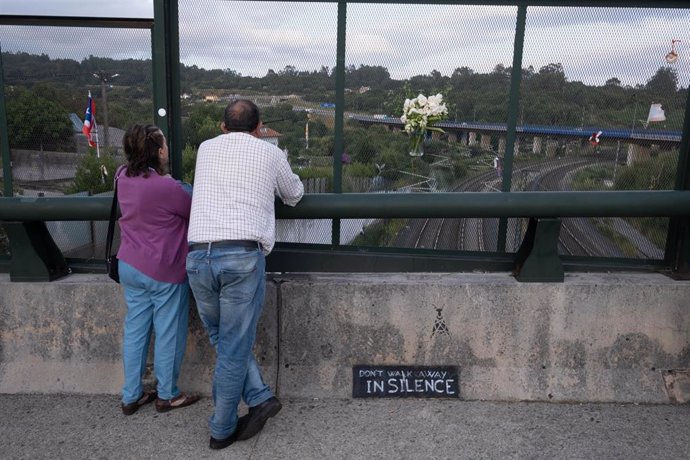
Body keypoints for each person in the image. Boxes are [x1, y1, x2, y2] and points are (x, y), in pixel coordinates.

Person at [186, 100, 304, 449]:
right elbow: (294, 194)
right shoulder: (269, 152)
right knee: (234, 347)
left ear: (223, 126)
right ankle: (221, 429)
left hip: (197, 256)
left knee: (223, 338)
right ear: (259, 127)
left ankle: (261, 397)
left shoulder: (205, 149)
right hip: (240, 256)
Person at [117, 124, 200, 415]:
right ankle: (167, 394)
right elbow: (192, 204)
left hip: (129, 265)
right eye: (163, 144)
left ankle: (131, 395)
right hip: (163, 270)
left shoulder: (121, 177)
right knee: (168, 331)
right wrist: (181, 184)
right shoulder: (166, 187)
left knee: (136, 330)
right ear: (159, 150)